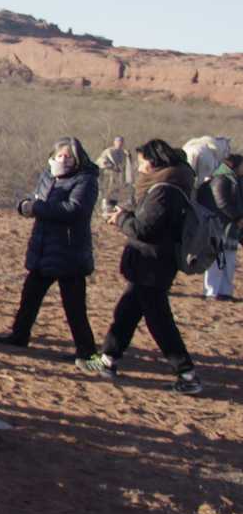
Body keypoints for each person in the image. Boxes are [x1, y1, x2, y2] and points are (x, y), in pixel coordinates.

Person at [79, 138, 203, 394]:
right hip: (150, 264)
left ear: (154, 161)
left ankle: (187, 374)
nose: (139, 165)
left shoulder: (165, 190)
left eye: (142, 160)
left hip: (152, 265)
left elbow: (144, 229)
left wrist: (121, 218)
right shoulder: (170, 185)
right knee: (126, 312)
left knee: (159, 322)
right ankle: (108, 359)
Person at [0, 138, 99, 360]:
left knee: (74, 306)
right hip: (43, 246)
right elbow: (36, 198)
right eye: (60, 155)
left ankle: (87, 351)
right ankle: (19, 335)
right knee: (30, 296)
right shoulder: (48, 175)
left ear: (78, 158)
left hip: (69, 251)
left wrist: (37, 208)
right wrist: (25, 206)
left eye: (68, 156)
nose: (63, 159)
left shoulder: (85, 180)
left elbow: (74, 210)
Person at [198, 153, 241, 300]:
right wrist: (238, 218)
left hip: (229, 227)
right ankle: (212, 291)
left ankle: (225, 292)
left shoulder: (234, 180)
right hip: (219, 226)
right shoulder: (220, 180)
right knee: (216, 260)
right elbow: (222, 203)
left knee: (228, 260)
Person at [95, 135, 133, 211]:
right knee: (107, 196)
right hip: (108, 177)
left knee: (117, 195)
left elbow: (128, 166)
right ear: (114, 142)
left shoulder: (123, 153)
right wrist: (111, 166)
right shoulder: (108, 151)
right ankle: (105, 210)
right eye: (118, 141)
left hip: (119, 179)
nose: (120, 143)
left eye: (121, 142)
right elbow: (100, 162)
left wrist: (129, 156)